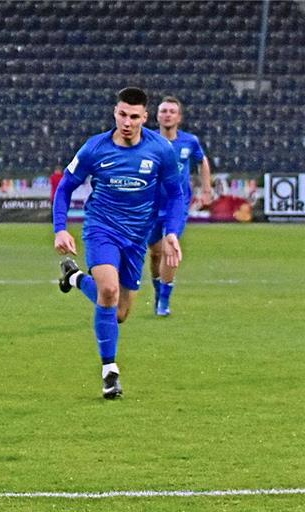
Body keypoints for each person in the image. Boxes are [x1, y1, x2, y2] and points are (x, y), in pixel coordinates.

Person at [52, 87, 183, 399]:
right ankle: (110, 372)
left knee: (120, 313)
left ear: (144, 117)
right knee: (108, 291)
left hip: (137, 238)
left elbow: (176, 194)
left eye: (134, 116)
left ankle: (74, 277)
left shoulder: (161, 150)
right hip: (102, 229)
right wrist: (60, 228)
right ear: (115, 112)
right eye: (122, 114)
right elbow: (65, 188)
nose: (127, 121)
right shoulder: (94, 148)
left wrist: (172, 232)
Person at [146, 96, 213, 316]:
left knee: (170, 248)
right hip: (151, 206)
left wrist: (206, 189)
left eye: (172, 111)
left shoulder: (189, 141)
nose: (167, 114)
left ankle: (164, 302)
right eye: (164, 110)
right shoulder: (146, 140)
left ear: (179, 117)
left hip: (177, 205)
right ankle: (158, 291)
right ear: (157, 115)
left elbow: (202, 161)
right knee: (155, 253)